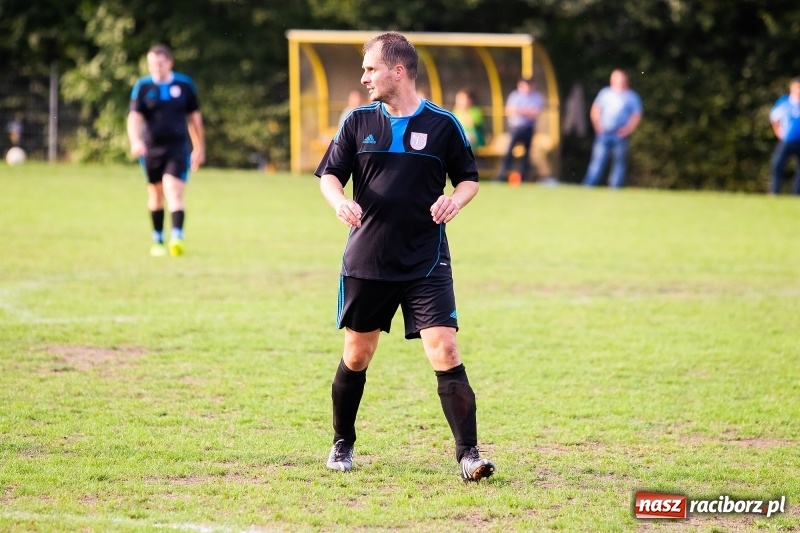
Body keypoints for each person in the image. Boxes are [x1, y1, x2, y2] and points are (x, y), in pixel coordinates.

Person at [315, 31, 495, 482]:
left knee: (446, 347)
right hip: (368, 259)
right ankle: (343, 442)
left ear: (398, 71)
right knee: (357, 355)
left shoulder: (443, 124)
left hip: (426, 260)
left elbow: (469, 178)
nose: (364, 76)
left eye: (371, 68)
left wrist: (458, 199)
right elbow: (329, 176)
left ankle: (468, 455)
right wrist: (339, 202)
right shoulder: (357, 121)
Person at [127, 43, 205, 257]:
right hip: (151, 150)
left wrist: (199, 147)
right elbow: (134, 118)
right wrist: (135, 141)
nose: (156, 68)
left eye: (160, 64)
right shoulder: (143, 87)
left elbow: (194, 119)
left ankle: (177, 238)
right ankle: (158, 240)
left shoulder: (184, 85)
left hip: (177, 149)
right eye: (152, 64)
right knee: (155, 195)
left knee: (174, 191)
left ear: (169, 63)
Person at [582, 69, 642, 188]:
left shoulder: (631, 96)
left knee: (619, 163)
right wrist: (597, 126)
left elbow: (637, 115)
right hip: (604, 132)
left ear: (625, 80)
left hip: (620, 134)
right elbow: (595, 109)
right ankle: (588, 186)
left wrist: (628, 129)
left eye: (620, 78)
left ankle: (615, 188)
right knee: (597, 160)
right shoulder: (605, 93)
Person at [494, 77, 544, 182]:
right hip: (516, 128)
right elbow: (511, 110)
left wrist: (520, 111)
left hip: (529, 128)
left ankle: (524, 177)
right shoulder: (515, 95)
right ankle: (502, 175)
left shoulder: (536, 97)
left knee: (527, 154)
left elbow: (534, 113)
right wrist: (526, 112)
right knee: (509, 152)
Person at [768, 77, 800, 195]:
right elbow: (774, 118)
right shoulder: (785, 102)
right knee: (777, 165)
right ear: (792, 88)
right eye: (797, 88)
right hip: (787, 141)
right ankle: (774, 192)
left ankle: (797, 195)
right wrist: (778, 132)